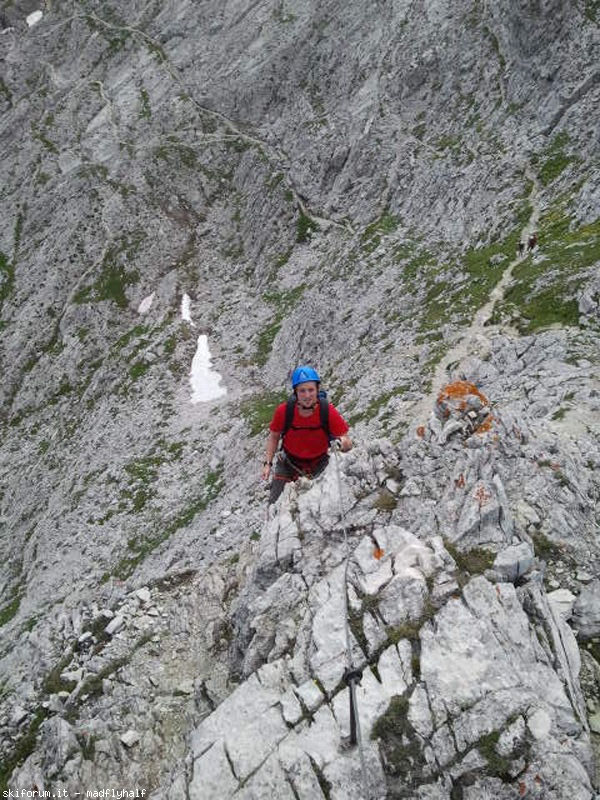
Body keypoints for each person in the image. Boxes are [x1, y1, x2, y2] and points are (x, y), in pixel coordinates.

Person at [261, 365, 352, 504]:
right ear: (295, 392)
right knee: (274, 503)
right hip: (289, 464)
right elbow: (274, 437)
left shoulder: (327, 411)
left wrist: (341, 443)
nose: (307, 395)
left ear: (317, 390)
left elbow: (347, 440)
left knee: (324, 504)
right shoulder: (284, 411)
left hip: (320, 464)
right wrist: (267, 463)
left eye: (311, 390)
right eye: (302, 391)